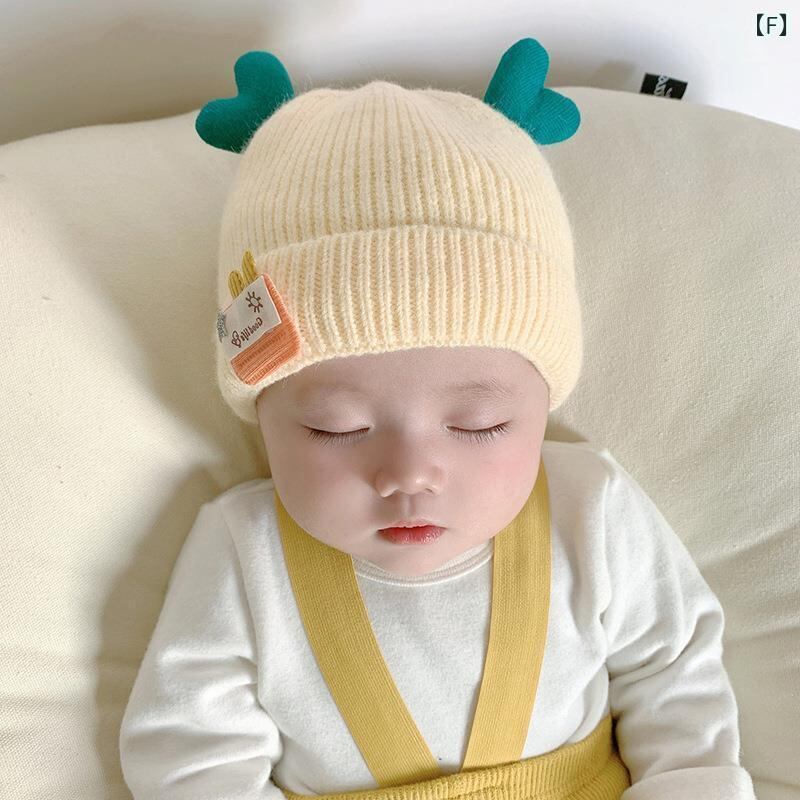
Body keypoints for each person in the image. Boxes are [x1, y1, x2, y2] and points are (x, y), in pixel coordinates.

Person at [118, 38, 756, 799]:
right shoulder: (243, 551)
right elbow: (190, 754)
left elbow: (676, 678)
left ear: (543, 405)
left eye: (480, 424)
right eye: (335, 427)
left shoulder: (590, 507)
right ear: (264, 417)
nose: (409, 473)